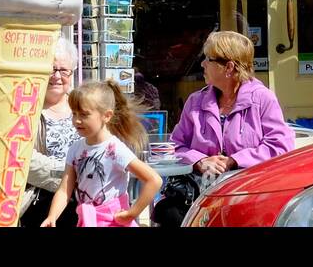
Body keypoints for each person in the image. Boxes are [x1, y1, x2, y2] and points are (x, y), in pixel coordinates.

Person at [155, 31, 295, 227]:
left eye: (207, 59)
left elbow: (280, 147)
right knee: (167, 212)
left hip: (250, 194)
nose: (202, 64)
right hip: (200, 196)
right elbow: (176, 146)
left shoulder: (262, 99)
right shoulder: (196, 101)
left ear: (228, 67)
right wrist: (200, 161)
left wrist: (233, 161)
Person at [43, 80, 160, 228]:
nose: (77, 120)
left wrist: (133, 212)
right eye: (74, 113)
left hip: (113, 221)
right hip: (88, 220)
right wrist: (52, 216)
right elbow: (65, 189)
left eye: (84, 114)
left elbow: (154, 180)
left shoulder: (115, 149)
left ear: (107, 116)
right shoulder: (75, 148)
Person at [19, 36, 81, 227]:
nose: (56, 76)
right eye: (51, 69)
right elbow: (22, 159)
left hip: (84, 197)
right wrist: (70, 176)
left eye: (63, 70)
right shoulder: (25, 110)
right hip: (40, 198)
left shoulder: (84, 106)